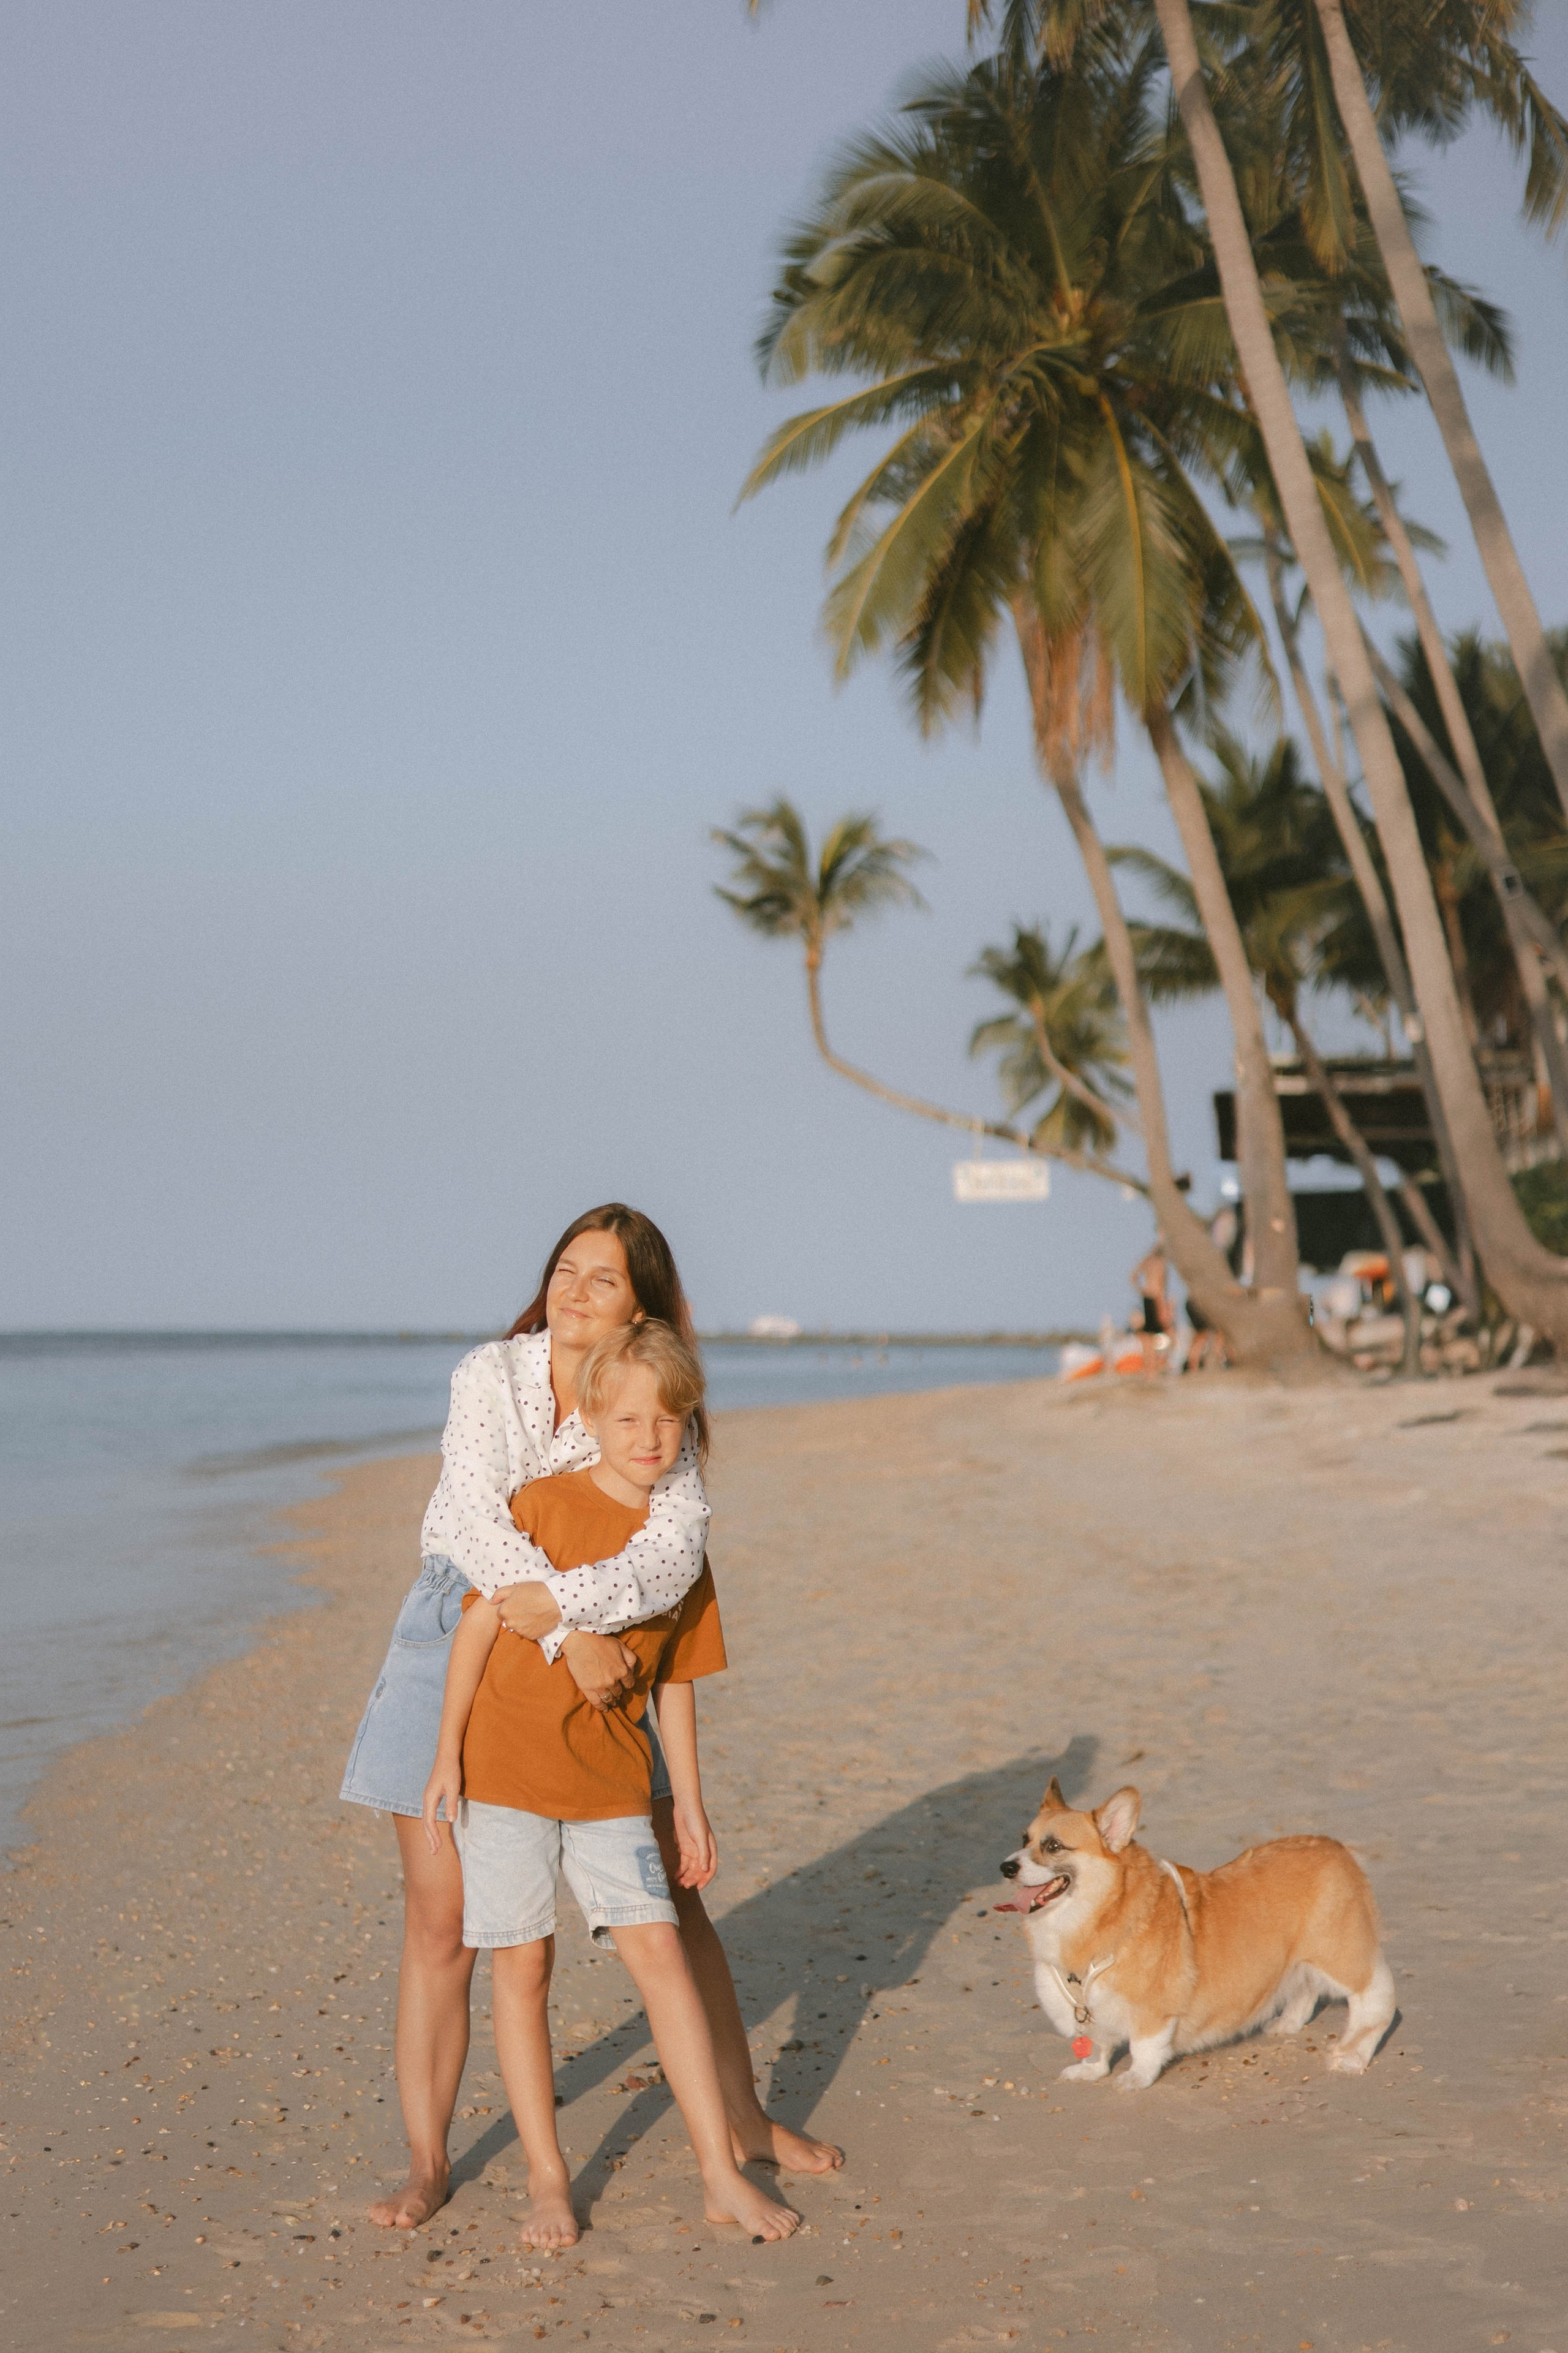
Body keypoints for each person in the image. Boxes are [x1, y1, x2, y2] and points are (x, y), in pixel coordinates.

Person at [339, 1203, 840, 2231]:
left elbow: (673, 1553)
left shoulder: (656, 1408)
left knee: (669, 1896)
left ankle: (741, 2121)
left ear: (641, 1303)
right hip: (467, 1626)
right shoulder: (493, 1374)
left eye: (601, 1278)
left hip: (603, 1640)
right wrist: (569, 1630)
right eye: (565, 1268)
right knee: (445, 1922)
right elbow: (472, 1519)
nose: (572, 1290)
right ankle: (430, 2161)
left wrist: (574, 1616)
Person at [422, 1321, 798, 2248]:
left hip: (614, 1786)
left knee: (660, 1956)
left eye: (669, 1419)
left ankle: (719, 2170)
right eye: (628, 1416)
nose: (649, 1436)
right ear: (590, 1416)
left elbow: (675, 1683)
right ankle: (549, 2180)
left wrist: (695, 1806)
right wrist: (444, 1758)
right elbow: (477, 1628)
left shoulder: (678, 1547)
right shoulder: (539, 1505)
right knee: (523, 1966)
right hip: (504, 1773)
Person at [1129, 1239, 1174, 1372]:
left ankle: (1149, 1366)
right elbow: (1162, 1287)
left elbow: (1133, 1277)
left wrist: (1143, 1291)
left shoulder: (1148, 1261)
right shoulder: (1161, 1263)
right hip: (1157, 1299)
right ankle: (1154, 1366)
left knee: (1147, 1335)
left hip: (1147, 1298)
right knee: (1162, 1332)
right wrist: (1164, 1308)